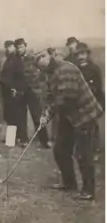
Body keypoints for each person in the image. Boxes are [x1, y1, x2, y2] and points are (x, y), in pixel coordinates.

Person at [38, 48, 103, 200]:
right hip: (69, 115)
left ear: (50, 55)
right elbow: (49, 96)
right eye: (38, 60)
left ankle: (88, 190)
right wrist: (44, 114)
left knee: (83, 154)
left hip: (84, 115)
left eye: (43, 56)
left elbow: (67, 97)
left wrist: (49, 113)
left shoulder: (66, 69)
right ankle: (69, 183)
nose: (41, 60)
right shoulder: (49, 72)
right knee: (60, 149)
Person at [14, 38, 52, 149]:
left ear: (25, 46)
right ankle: (23, 140)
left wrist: (38, 86)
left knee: (37, 115)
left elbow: (42, 72)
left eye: (21, 47)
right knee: (21, 116)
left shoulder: (32, 58)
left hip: (32, 91)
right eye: (18, 47)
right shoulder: (15, 60)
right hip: (21, 92)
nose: (19, 49)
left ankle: (44, 140)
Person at [75, 42, 105, 154]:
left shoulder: (94, 68)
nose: (81, 57)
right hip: (80, 103)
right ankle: (82, 149)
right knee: (81, 126)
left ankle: (95, 149)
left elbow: (98, 86)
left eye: (83, 54)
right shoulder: (76, 69)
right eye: (78, 54)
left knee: (92, 126)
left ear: (87, 54)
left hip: (93, 101)